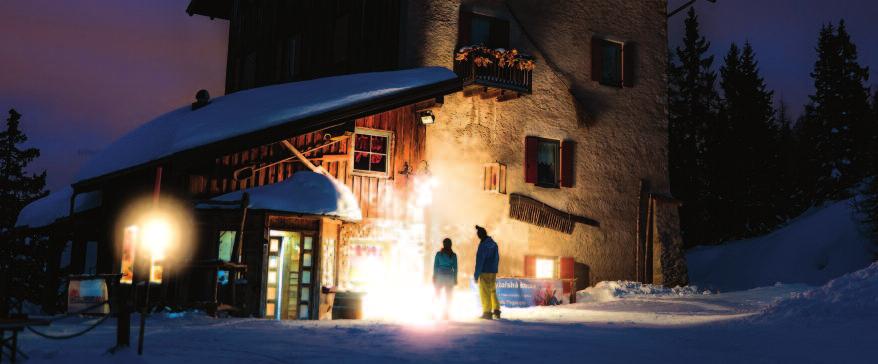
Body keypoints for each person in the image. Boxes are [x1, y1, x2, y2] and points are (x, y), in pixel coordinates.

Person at [473, 225, 500, 319]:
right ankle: (496, 310)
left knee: (485, 292)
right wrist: (494, 269)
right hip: (493, 271)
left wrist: (476, 275)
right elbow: (497, 258)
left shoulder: (483, 245)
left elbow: (480, 261)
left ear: (481, 234)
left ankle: (487, 312)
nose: (478, 236)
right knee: (492, 290)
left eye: (478, 234)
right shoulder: (494, 244)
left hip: (484, 271)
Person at [433, 238, 458, 320]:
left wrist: (434, 276)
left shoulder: (439, 254)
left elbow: (435, 267)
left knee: (437, 294)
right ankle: (446, 313)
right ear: (451, 245)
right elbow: (455, 268)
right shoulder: (453, 255)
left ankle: (434, 312)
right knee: (448, 296)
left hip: (440, 276)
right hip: (449, 277)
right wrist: (455, 279)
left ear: (443, 244)